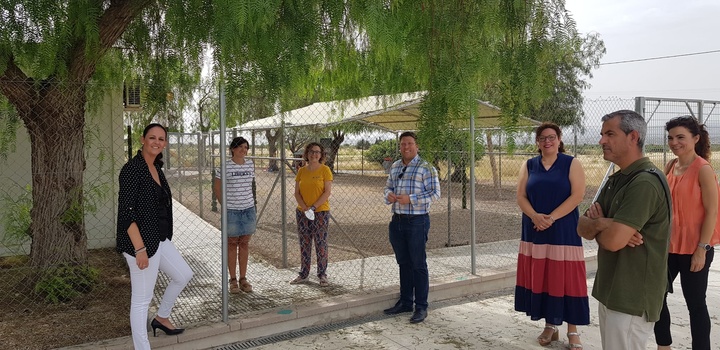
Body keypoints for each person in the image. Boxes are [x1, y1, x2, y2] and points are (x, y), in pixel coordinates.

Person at [577, 110, 671, 350]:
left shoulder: (645, 183)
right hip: (612, 289)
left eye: (610, 134)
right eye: (602, 134)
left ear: (633, 137)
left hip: (632, 294)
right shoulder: (617, 179)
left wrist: (605, 228)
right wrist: (603, 224)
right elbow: (581, 227)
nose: (601, 141)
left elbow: (613, 242)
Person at [116, 123, 194, 350]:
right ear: (143, 139)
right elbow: (126, 213)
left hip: (159, 238)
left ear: (165, 143)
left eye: (161, 139)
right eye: (152, 137)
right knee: (141, 300)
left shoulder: (155, 167)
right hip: (139, 242)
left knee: (183, 275)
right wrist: (139, 249)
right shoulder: (132, 169)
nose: (156, 142)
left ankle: (161, 318)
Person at [515, 122, 589, 348]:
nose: (547, 141)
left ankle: (573, 330)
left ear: (559, 139)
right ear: (537, 142)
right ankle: (550, 326)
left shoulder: (571, 163)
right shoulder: (529, 165)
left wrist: (551, 218)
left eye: (551, 137)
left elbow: (577, 196)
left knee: (566, 278)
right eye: (542, 138)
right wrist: (536, 217)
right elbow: (521, 197)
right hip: (535, 230)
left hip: (563, 230)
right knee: (544, 276)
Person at [654, 116, 720, 350]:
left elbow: (712, 212)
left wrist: (702, 250)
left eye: (680, 137)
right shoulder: (671, 166)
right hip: (669, 247)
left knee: (695, 303)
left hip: (696, 248)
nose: (674, 142)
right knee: (655, 296)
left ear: (696, 138)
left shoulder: (703, 169)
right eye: (670, 137)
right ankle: (664, 346)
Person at [382, 131, 440, 324]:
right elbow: (388, 187)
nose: (406, 147)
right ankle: (406, 302)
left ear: (416, 146)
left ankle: (421, 306)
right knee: (403, 263)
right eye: (403, 144)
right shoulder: (396, 166)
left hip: (417, 221)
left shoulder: (426, 168)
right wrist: (389, 195)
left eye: (409, 143)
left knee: (418, 264)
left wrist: (411, 199)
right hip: (397, 221)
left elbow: (435, 194)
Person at [213, 137, 257, 293]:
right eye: (240, 147)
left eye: (246, 147)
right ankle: (232, 280)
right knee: (232, 243)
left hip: (248, 210)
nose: (243, 150)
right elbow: (217, 188)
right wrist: (225, 205)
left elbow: (251, 186)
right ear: (232, 149)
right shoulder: (225, 166)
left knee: (244, 243)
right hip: (232, 211)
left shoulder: (250, 164)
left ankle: (243, 278)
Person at [291, 142, 333, 286]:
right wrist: (304, 208)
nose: (314, 154)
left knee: (320, 243)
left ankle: (322, 274)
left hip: (320, 212)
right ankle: (304, 273)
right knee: (305, 243)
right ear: (307, 154)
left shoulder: (325, 170)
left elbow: (327, 192)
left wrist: (313, 207)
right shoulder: (302, 171)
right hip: (303, 213)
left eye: (317, 152)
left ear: (321, 155)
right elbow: (296, 192)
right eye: (311, 151)